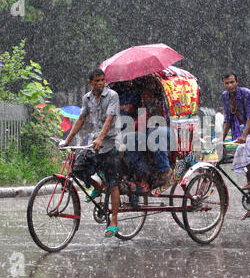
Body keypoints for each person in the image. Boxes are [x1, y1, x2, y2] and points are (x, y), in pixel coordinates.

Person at [60, 68, 121, 238]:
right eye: (97, 81)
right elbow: (81, 119)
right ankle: (98, 187)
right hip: (94, 143)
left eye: (103, 80)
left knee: (113, 183)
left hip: (109, 143)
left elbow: (109, 120)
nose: (101, 83)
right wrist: (67, 141)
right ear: (90, 83)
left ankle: (114, 221)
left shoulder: (112, 96)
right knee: (77, 169)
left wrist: (101, 138)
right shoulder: (86, 98)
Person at [221, 72, 250, 219]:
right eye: (227, 83)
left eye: (232, 82)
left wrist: (244, 136)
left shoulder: (246, 93)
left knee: (243, 150)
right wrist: (221, 140)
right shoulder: (225, 96)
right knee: (247, 164)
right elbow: (228, 119)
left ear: (237, 82)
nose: (230, 85)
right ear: (224, 84)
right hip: (242, 133)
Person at [123, 77, 173, 188]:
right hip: (150, 130)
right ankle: (145, 172)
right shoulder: (143, 98)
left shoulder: (165, 96)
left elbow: (165, 119)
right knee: (128, 138)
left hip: (169, 129)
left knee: (154, 133)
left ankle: (165, 170)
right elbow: (142, 120)